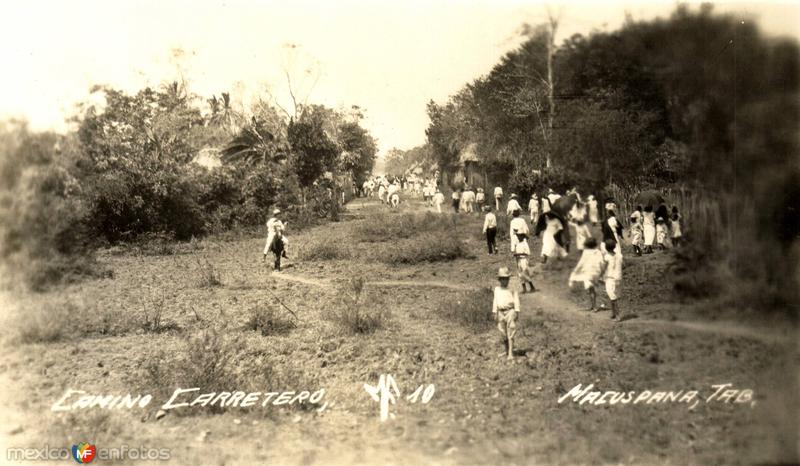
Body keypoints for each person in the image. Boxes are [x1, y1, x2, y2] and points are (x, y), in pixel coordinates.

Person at [568, 238, 605, 311]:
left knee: (591, 289)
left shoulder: (585, 252)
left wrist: (575, 271)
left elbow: (581, 263)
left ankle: (594, 306)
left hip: (588, 273)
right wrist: (602, 271)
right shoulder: (598, 252)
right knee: (592, 289)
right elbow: (602, 262)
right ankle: (593, 305)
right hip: (596, 272)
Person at [492, 267, 520, 360]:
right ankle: (506, 350)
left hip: (510, 311)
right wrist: (494, 312)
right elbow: (495, 301)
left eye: (507, 279)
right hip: (500, 312)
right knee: (502, 332)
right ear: (499, 280)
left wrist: (516, 311)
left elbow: (516, 300)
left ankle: (511, 353)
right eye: (503, 279)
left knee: (510, 331)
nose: (505, 281)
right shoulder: (497, 289)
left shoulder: (512, 289)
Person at [511, 211, 536, 293]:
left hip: (522, 258)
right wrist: (514, 252)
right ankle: (525, 288)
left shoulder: (523, 241)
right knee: (520, 273)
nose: (519, 235)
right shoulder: (517, 239)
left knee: (524, 272)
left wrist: (516, 253)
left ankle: (531, 286)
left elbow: (527, 252)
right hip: (519, 258)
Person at [602, 239, 624, 321]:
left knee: (613, 297)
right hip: (618, 277)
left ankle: (618, 316)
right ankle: (613, 313)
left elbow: (604, 267)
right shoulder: (619, 255)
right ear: (614, 247)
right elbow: (623, 264)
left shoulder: (607, 257)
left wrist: (601, 275)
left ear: (606, 248)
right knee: (613, 296)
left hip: (610, 278)